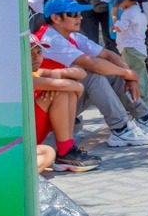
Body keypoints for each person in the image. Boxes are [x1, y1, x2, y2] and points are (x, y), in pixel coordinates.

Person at [37, 0, 148, 146]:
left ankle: (144, 117)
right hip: (47, 108)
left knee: (113, 71)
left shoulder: (71, 36)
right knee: (93, 75)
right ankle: (121, 129)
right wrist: (128, 73)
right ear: (56, 18)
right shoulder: (49, 38)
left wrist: (128, 76)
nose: (80, 17)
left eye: (80, 13)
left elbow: (107, 54)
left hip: (64, 101)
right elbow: (92, 63)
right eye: (73, 14)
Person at [30, 35, 97, 173]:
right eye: (29, 53)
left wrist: (57, 73)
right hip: (26, 135)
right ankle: (64, 152)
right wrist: (70, 86)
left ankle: (66, 148)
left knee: (66, 92)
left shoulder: (37, 72)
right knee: (61, 92)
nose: (35, 57)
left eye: (38, 52)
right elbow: (71, 86)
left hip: (34, 134)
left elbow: (81, 73)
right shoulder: (23, 77)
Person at [106, 0, 148, 103]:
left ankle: (142, 104)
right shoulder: (137, 10)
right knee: (140, 76)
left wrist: (114, 17)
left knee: (135, 77)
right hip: (137, 48)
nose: (116, 4)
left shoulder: (129, 13)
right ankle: (141, 103)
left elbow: (119, 27)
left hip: (130, 49)